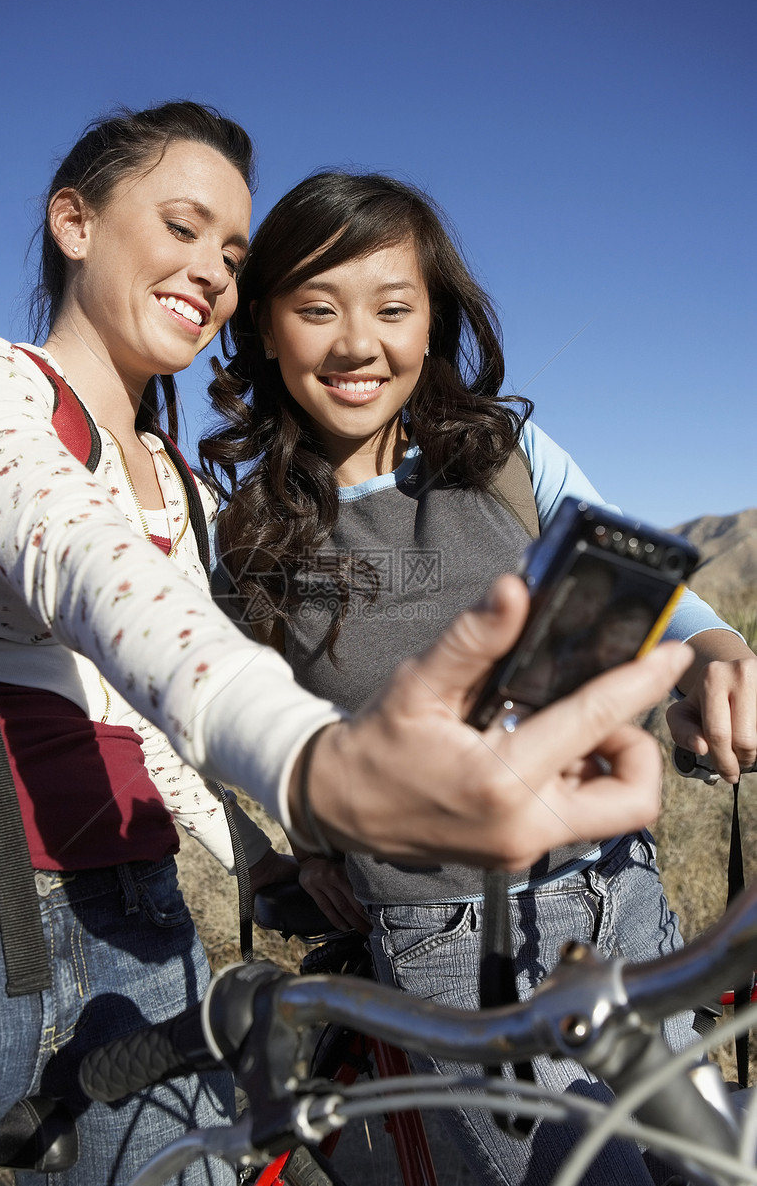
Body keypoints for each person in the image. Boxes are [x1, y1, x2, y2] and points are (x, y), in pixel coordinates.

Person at [202, 170, 757, 1185]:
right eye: (316, 308)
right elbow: (211, 714)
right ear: (264, 327)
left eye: (391, 308)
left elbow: (648, 599)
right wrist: (296, 842)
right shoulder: (247, 534)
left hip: (620, 890)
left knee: (701, 1164)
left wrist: (720, 658)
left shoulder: (505, 455)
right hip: (447, 939)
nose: (356, 342)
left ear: (432, 321)